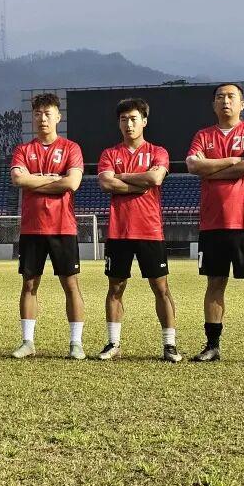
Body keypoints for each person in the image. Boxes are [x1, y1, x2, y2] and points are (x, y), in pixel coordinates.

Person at [185, 83, 244, 364]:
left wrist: (211, 169)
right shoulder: (203, 135)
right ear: (213, 105)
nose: (225, 101)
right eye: (220, 97)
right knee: (215, 282)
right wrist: (231, 161)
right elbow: (193, 166)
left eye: (231, 97)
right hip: (212, 223)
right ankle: (212, 345)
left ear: (242, 104)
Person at [96, 98, 181, 362]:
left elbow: (155, 178)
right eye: (123, 119)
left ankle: (169, 345)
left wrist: (121, 177)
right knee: (116, 287)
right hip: (119, 231)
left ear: (144, 121)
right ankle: (113, 343)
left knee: (160, 287)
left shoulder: (158, 152)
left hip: (150, 230)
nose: (129, 124)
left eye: (133, 119)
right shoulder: (109, 154)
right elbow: (106, 183)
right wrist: (139, 182)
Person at [9, 93, 87, 360]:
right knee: (29, 284)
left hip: (63, 227)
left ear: (58, 117)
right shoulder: (23, 150)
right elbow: (19, 180)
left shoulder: (71, 148)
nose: (42, 118)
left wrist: (35, 180)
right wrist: (54, 179)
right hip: (32, 228)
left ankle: (76, 343)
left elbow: (72, 183)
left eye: (47, 113)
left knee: (71, 284)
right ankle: (27, 342)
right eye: (38, 113)